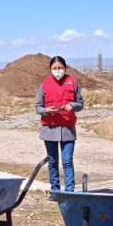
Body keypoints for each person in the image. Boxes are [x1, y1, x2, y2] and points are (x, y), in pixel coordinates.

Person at [35, 55, 84, 192]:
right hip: (49, 130)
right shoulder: (45, 83)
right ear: (50, 69)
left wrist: (72, 105)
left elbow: (80, 104)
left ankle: (69, 192)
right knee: (52, 162)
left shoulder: (72, 82)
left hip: (67, 129)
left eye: (60, 68)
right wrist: (46, 110)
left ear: (65, 67)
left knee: (67, 161)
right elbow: (38, 107)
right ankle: (55, 191)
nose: (57, 70)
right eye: (54, 68)